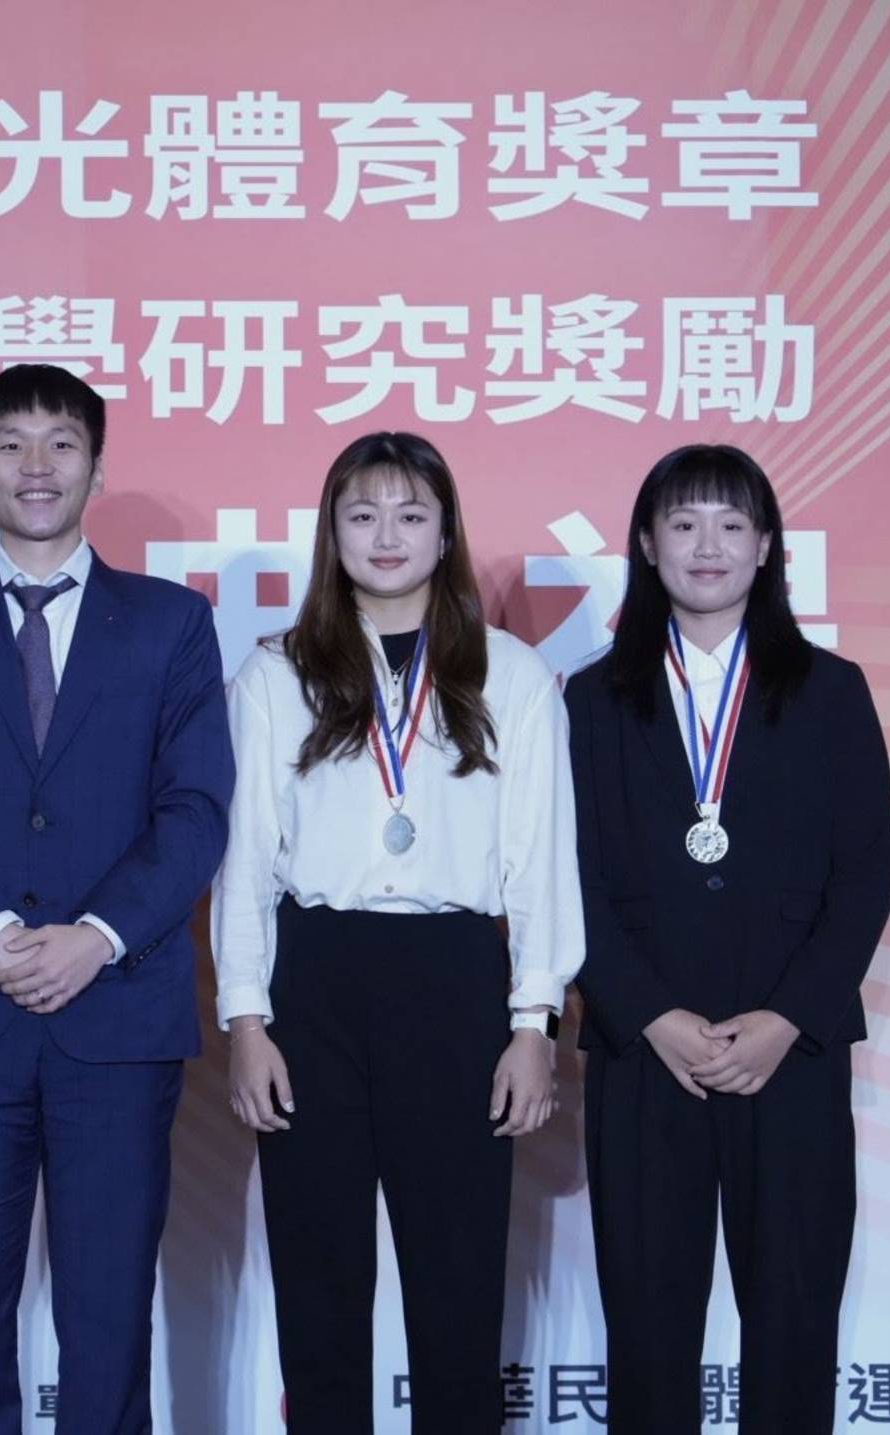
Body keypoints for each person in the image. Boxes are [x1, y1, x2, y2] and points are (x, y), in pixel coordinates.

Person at [0, 364, 234, 1435]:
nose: (36, 464)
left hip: (116, 1013)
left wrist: (96, 937)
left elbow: (196, 808)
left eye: (60, 442)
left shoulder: (170, 623)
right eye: (9, 444)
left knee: (108, 1315)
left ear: (96, 467)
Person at [213, 432, 581, 1432]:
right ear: (330, 531)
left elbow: (540, 863)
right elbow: (244, 860)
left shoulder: (511, 675)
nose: (387, 535)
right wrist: (246, 1019)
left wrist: (532, 1023)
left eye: (411, 514)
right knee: (317, 1283)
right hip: (313, 981)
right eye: (362, 513)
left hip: (453, 981)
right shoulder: (276, 673)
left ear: (445, 532)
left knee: (457, 1283)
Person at [566, 443, 890, 1433]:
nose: (705, 545)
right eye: (682, 522)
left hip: (788, 1056)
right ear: (644, 542)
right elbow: (564, 878)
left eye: (729, 523)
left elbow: (864, 875)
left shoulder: (830, 691)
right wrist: (648, 1013)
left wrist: (788, 1017)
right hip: (642, 1055)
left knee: (793, 1319)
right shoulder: (591, 698)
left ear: (764, 546)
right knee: (646, 1328)